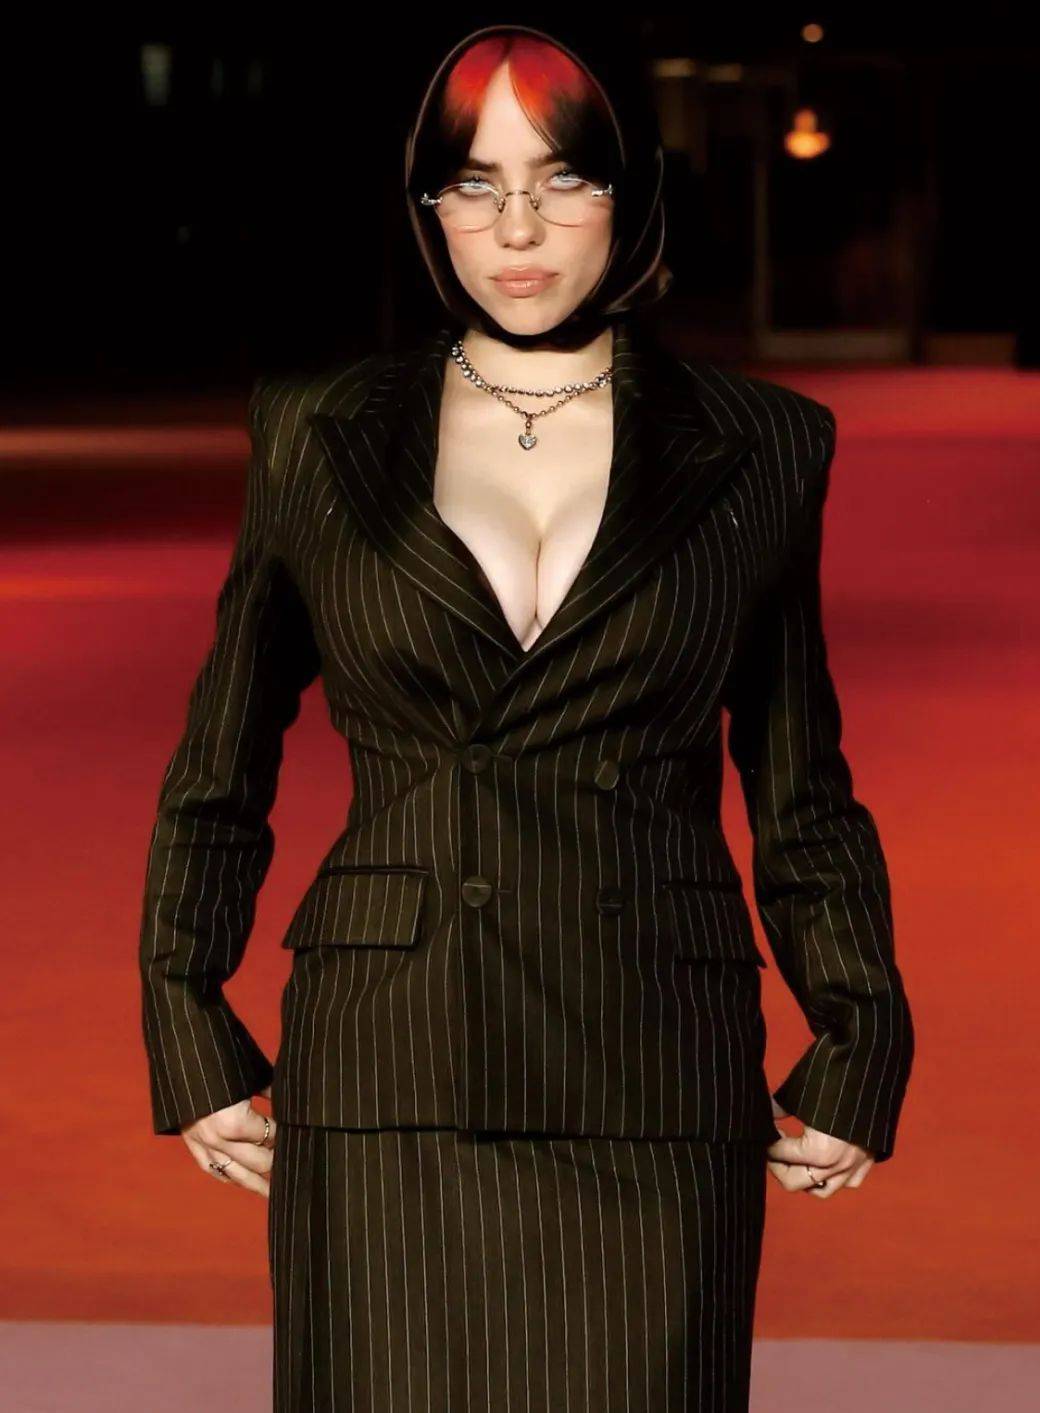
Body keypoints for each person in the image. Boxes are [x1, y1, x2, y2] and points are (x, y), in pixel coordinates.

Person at [137, 18, 915, 1411]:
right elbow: (222, 762)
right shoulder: (317, 429)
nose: (516, 227)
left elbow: (800, 781)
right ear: (426, 205)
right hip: (387, 1063)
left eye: (562, 178)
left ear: (633, 191)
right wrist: (183, 1011)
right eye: (473, 183)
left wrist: (861, 1029)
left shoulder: (763, 445)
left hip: (652, 1065)